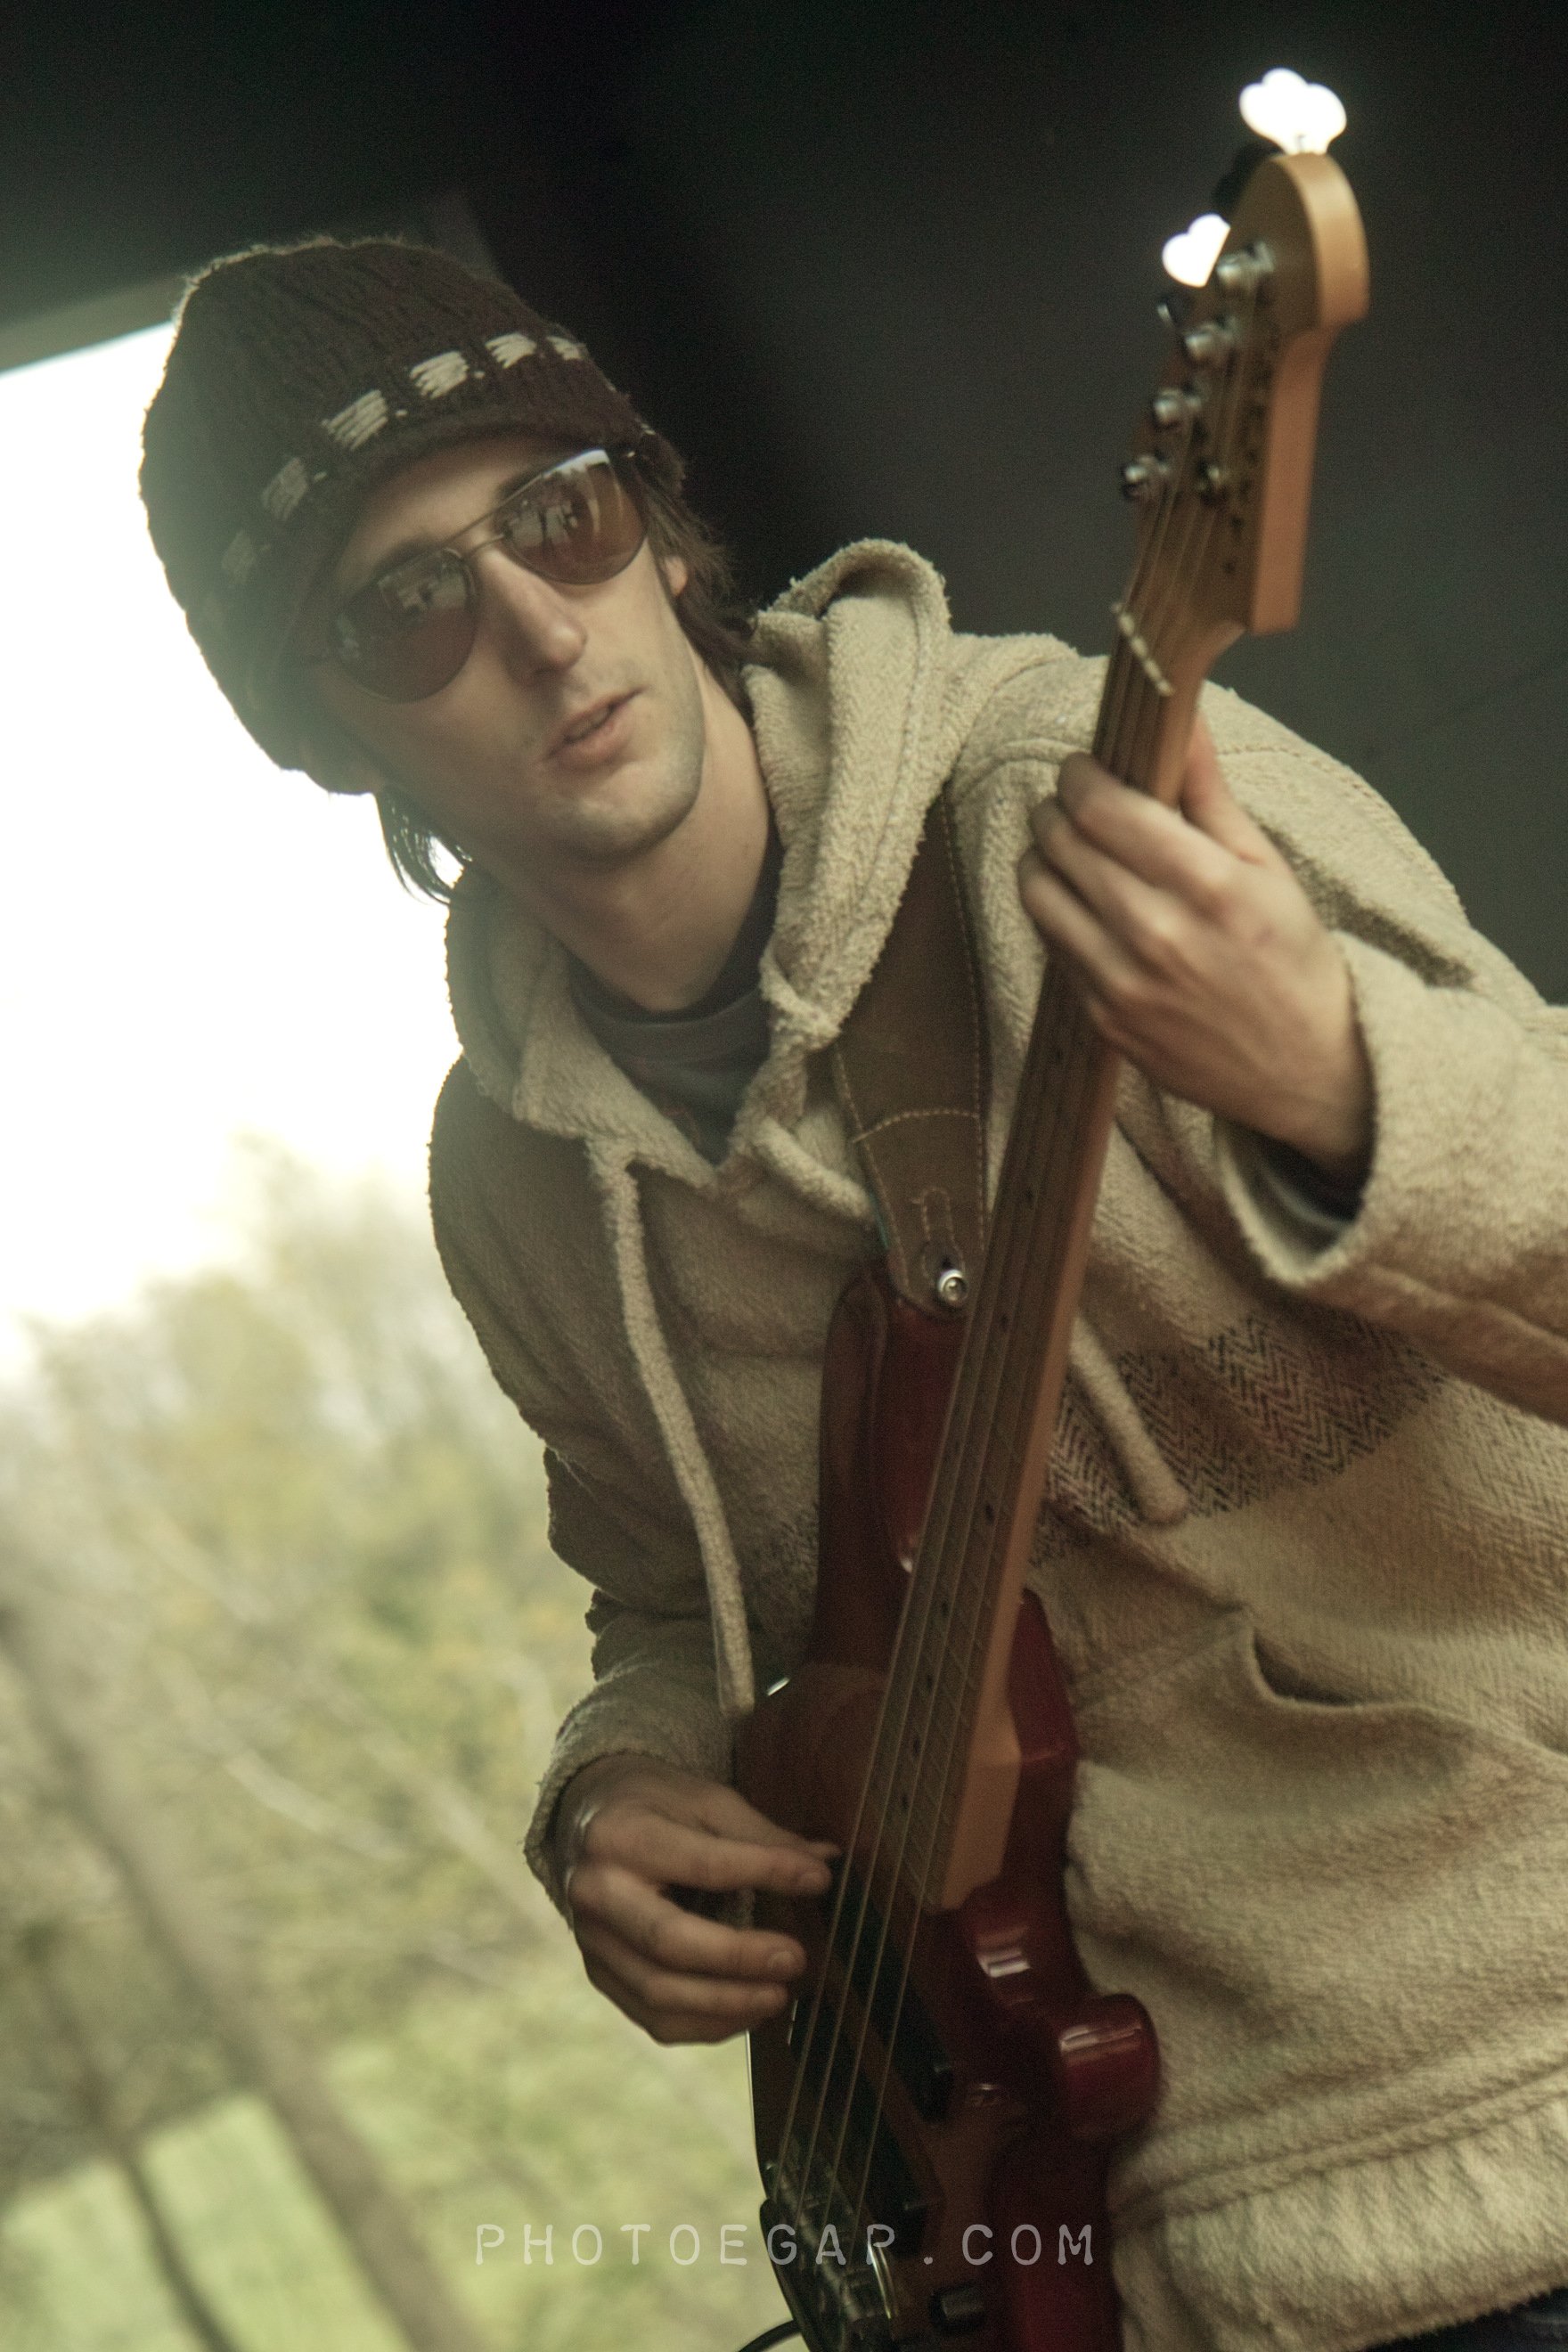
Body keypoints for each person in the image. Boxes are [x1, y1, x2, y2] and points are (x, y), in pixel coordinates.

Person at [140, 236, 1568, 2352]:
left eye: (561, 516)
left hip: (1498, 2117)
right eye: (409, 606)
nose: (536, 629)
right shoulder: (512, 1175)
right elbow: (675, 1591)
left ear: (658, 531)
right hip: (1049, 2249)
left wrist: (1336, 1085)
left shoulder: (1083, 805)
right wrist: (614, 1790)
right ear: (328, 736)